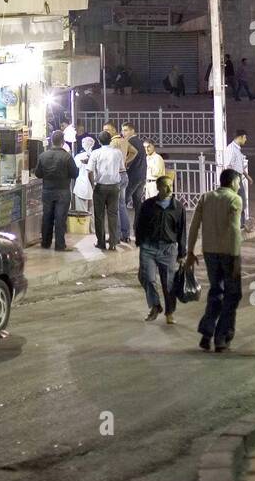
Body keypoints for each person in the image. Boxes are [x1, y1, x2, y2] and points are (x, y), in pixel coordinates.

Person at [185, 168, 243, 352]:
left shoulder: (206, 197)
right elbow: (234, 230)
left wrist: (190, 252)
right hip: (228, 252)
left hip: (209, 252)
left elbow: (194, 225)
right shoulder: (234, 199)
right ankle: (221, 337)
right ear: (232, 182)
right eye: (238, 182)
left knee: (217, 291)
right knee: (232, 295)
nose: (239, 186)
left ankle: (207, 332)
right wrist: (236, 257)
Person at [136, 174, 187, 323]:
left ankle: (169, 313)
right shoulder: (148, 205)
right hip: (149, 248)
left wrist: (182, 253)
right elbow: (139, 225)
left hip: (168, 249)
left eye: (171, 185)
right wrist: (140, 242)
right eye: (165, 185)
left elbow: (182, 230)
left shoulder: (178, 207)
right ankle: (155, 305)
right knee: (147, 278)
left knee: (168, 283)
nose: (170, 188)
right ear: (158, 187)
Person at [34, 130, 78, 251]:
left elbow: (38, 174)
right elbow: (75, 173)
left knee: (47, 217)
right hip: (63, 191)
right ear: (63, 142)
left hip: (47, 191)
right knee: (60, 218)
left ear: (51, 141)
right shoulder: (67, 156)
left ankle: (45, 243)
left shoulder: (43, 156)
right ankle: (59, 245)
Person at [87, 129, 127, 251]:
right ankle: (113, 243)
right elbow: (122, 169)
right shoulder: (117, 153)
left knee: (99, 216)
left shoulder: (95, 153)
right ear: (110, 140)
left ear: (99, 141)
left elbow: (90, 171)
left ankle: (101, 242)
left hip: (100, 186)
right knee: (113, 215)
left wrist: (93, 185)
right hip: (114, 187)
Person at [104, 122, 135, 247]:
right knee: (122, 206)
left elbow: (108, 159)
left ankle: (115, 236)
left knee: (114, 208)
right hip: (124, 175)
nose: (106, 132)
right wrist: (125, 161)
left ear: (113, 130)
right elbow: (134, 152)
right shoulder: (124, 140)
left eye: (108, 129)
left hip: (116, 176)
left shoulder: (113, 142)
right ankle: (125, 235)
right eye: (104, 130)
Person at [224, 127, 251, 231]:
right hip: (233, 178)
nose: (246, 140)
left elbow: (238, 165)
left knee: (242, 201)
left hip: (238, 177)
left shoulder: (237, 149)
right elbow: (227, 166)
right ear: (240, 137)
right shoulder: (230, 149)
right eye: (245, 137)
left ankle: (241, 224)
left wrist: (247, 176)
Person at [121, 122, 147, 228]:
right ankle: (138, 228)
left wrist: (125, 164)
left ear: (132, 131)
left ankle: (124, 231)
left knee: (122, 203)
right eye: (122, 130)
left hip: (132, 177)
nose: (123, 132)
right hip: (141, 176)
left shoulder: (131, 142)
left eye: (126, 130)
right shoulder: (140, 141)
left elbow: (130, 159)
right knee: (137, 204)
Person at [73, 135, 96, 212]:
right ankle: (91, 224)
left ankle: (84, 224)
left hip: (82, 186)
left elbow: (74, 167)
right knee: (91, 211)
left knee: (81, 211)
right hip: (93, 186)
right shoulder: (96, 155)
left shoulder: (79, 156)